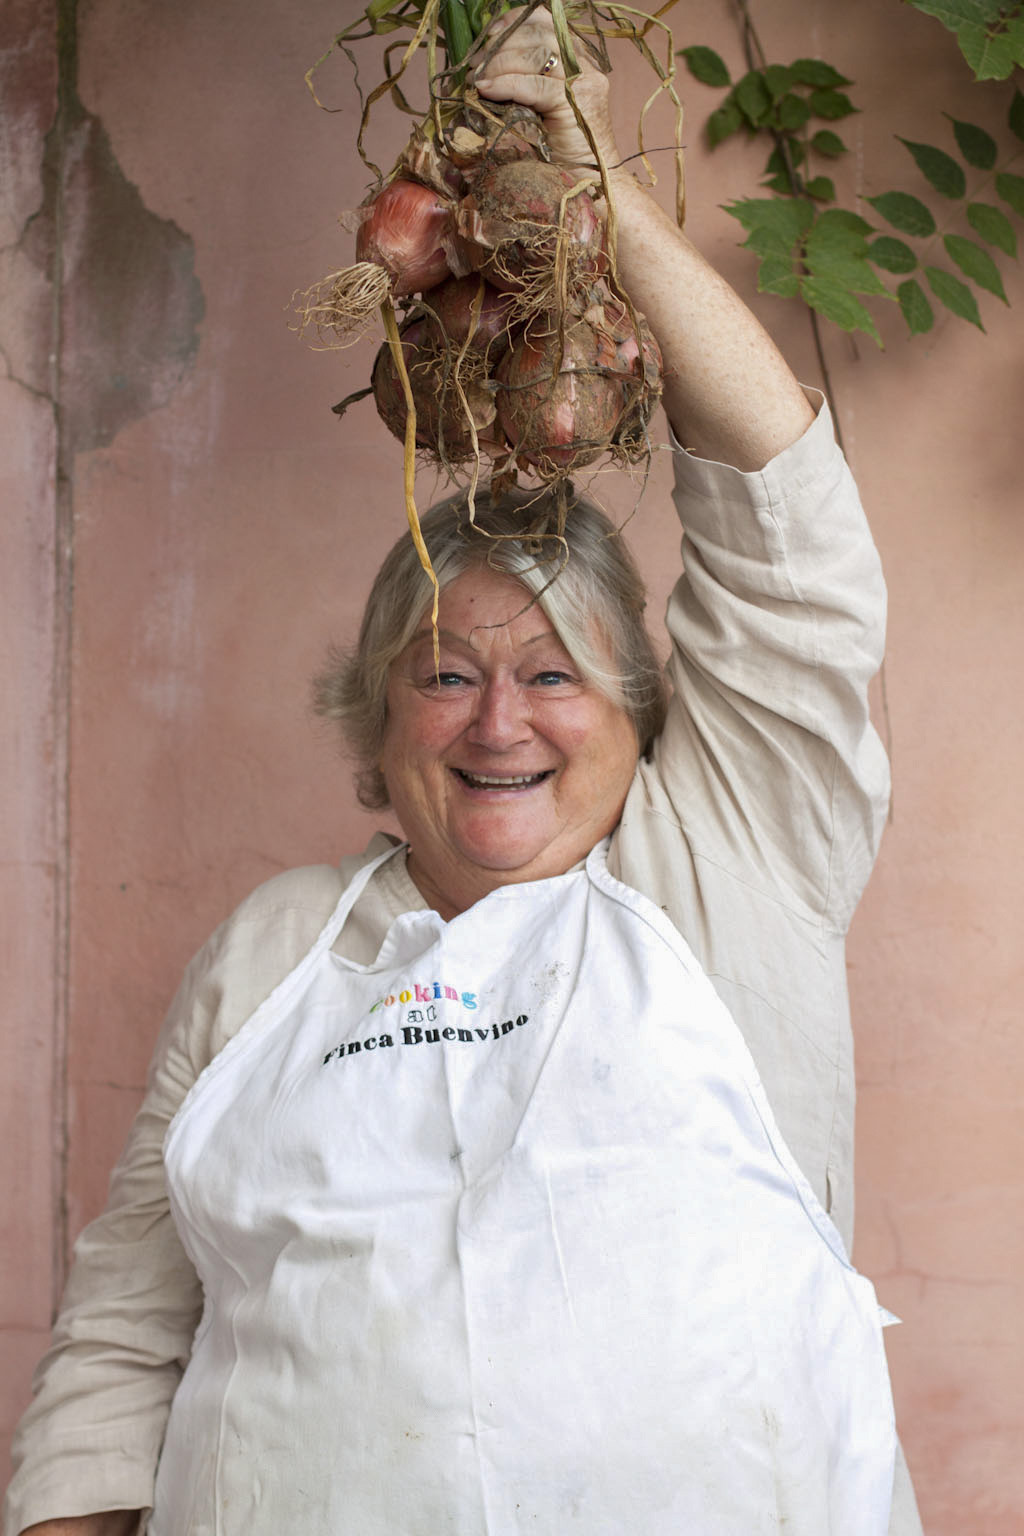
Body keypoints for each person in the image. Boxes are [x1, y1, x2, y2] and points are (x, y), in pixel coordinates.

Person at [5, 10, 923, 1535]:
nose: (500, 720)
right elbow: (123, 1339)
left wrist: (585, 183)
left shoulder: (726, 861)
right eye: (443, 673)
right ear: (375, 726)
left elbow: (795, 542)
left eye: (554, 674)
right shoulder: (274, 949)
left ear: (645, 716)